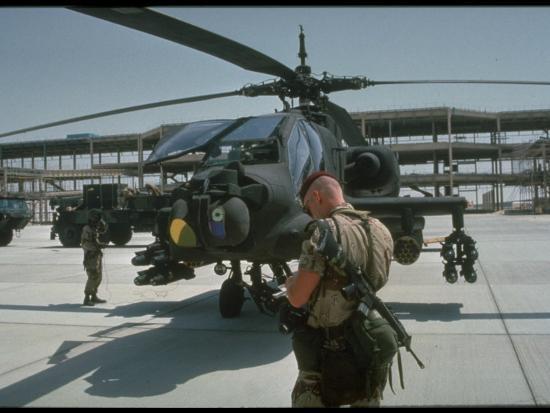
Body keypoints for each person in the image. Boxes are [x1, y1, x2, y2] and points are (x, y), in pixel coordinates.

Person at [285, 171, 395, 407]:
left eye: (307, 207)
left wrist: (290, 283)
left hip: (327, 354)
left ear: (316, 197)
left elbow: (297, 298)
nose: (309, 214)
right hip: (368, 345)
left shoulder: (324, 232)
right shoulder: (380, 229)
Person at [81, 209, 108, 306]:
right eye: (97, 218)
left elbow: (103, 230)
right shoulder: (87, 229)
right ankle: (87, 298)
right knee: (93, 275)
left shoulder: (94, 228)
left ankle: (94, 296)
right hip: (91, 255)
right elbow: (85, 244)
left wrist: (102, 224)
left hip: (96, 255)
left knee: (98, 276)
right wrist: (98, 246)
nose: (98, 220)